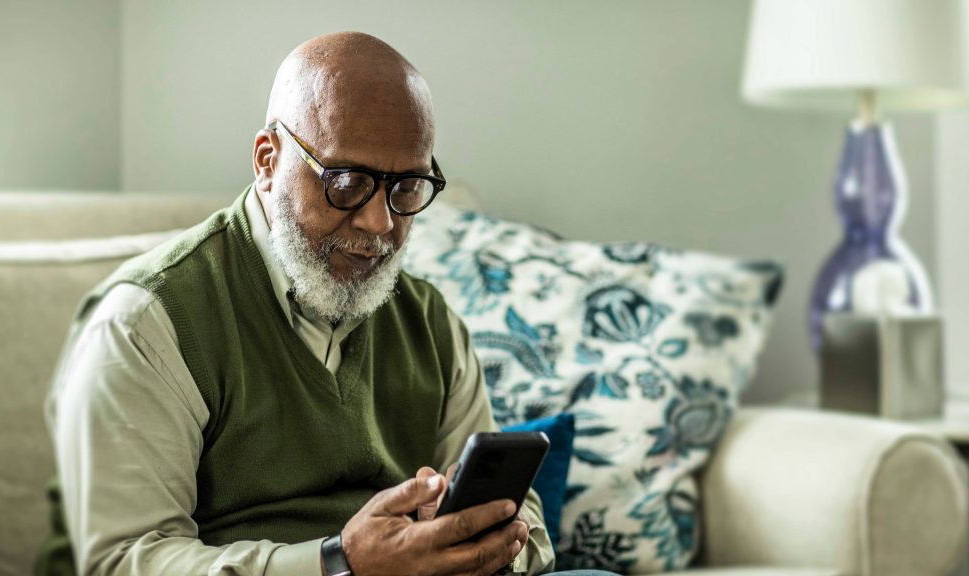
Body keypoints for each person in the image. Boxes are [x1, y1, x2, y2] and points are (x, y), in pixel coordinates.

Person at [37, 31, 618, 576]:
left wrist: (485, 550)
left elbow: (525, 518)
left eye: (408, 187)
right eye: (344, 182)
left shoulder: (430, 321)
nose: (379, 222)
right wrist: (340, 562)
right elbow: (125, 560)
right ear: (268, 160)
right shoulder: (149, 321)